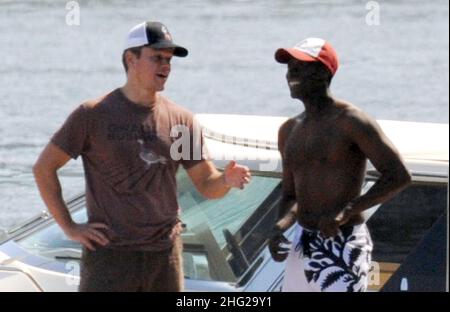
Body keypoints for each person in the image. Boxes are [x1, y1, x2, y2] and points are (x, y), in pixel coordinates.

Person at [32, 21, 251, 292]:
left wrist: (226, 180)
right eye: (157, 57)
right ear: (130, 59)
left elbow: (207, 184)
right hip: (109, 258)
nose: (166, 66)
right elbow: (44, 168)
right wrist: (70, 227)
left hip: (165, 257)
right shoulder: (92, 114)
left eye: (169, 59)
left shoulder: (181, 120)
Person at [268, 38, 411, 292]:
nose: (291, 73)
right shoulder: (288, 130)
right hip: (302, 241)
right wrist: (279, 227)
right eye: (289, 67)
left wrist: (345, 211)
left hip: (343, 244)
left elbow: (398, 175)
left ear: (323, 72)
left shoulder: (351, 121)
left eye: (299, 66)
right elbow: (291, 195)